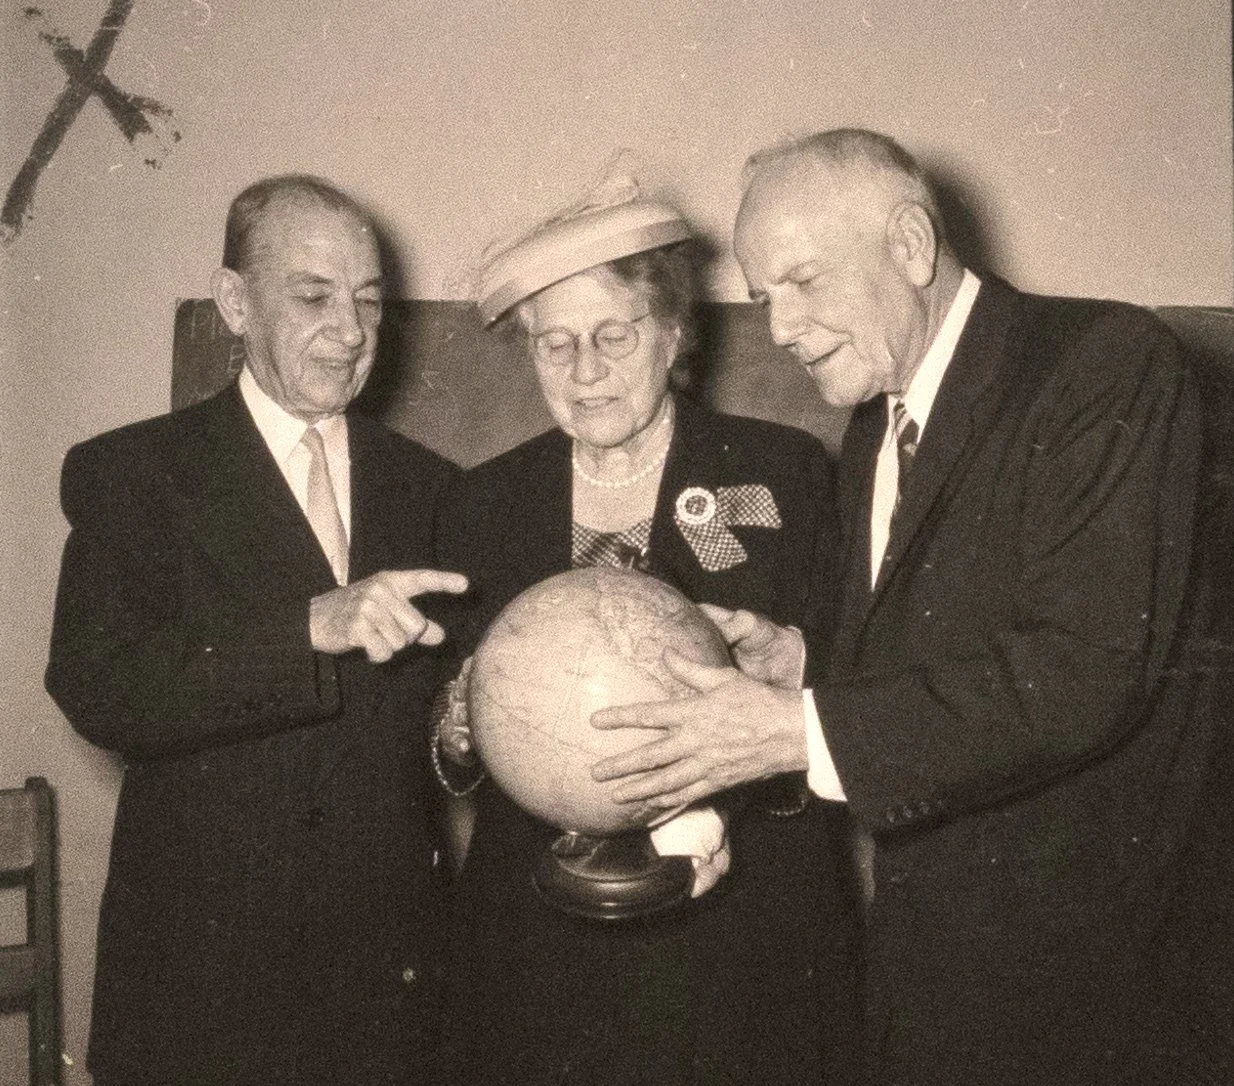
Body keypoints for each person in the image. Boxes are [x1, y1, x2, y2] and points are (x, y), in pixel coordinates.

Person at [591, 129, 1215, 1084]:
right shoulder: (873, 431)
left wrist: (799, 730)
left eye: (802, 283)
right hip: (933, 974)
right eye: (764, 299)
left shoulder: (1103, 362)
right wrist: (802, 663)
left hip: (1086, 991)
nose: (782, 329)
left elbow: (1080, 671)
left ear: (913, 247)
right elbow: (937, 656)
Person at [432, 185, 863, 1083]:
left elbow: (848, 688)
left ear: (673, 335)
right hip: (540, 953)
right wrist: (458, 726)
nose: (585, 368)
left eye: (614, 335)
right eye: (555, 343)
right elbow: (448, 742)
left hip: (736, 941)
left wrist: (769, 721)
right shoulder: (480, 505)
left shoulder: (778, 475)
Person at [45, 175, 467, 1085]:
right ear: (235, 301)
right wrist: (306, 629)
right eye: (314, 297)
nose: (351, 332)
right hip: (202, 989)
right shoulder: (134, 472)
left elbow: (441, 726)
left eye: (368, 302)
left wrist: (470, 727)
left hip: (387, 994)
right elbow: (97, 685)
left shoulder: (432, 486)